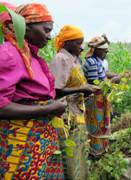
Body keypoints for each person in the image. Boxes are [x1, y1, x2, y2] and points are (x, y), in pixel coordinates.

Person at [0, 3, 66, 179]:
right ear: (26, 28)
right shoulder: (9, 55)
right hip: (20, 144)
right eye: (46, 30)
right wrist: (48, 109)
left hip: (37, 141)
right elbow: (1, 106)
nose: (49, 36)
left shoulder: (31, 57)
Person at [50, 25, 97, 179]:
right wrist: (82, 90)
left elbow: (75, 85)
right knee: (70, 154)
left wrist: (86, 90)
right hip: (66, 116)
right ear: (66, 42)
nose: (81, 47)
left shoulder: (74, 60)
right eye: (78, 43)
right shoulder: (60, 59)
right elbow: (56, 91)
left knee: (78, 151)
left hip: (76, 112)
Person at [83, 35, 112, 156]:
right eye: (104, 51)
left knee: (100, 124)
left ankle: (100, 149)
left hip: (99, 98)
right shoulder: (92, 62)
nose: (106, 53)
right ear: (98, 50)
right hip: (94, 99)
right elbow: (94, 84)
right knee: (96, 124)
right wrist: (112, 82)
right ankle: (95, 151)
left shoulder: (97, 61)